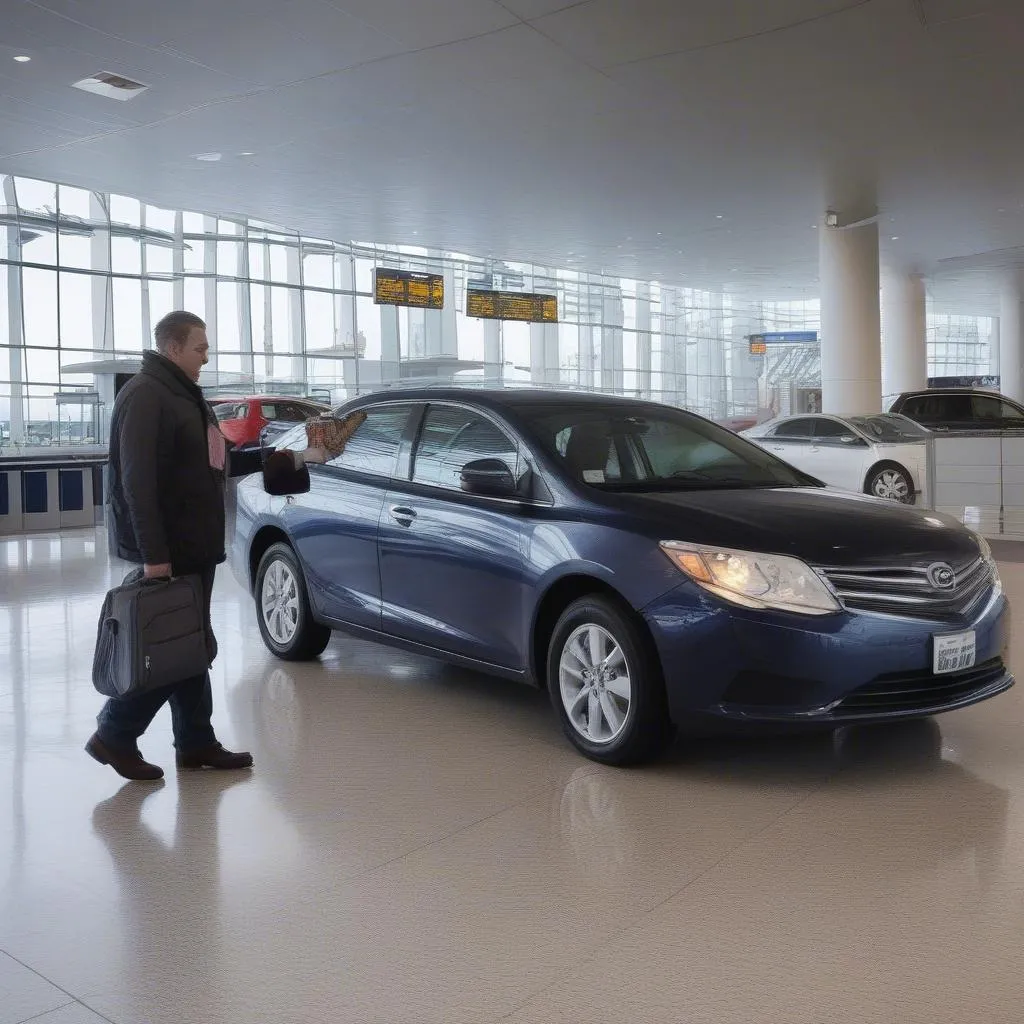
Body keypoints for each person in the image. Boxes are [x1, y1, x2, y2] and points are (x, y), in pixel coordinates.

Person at [86, 310, 328, 781]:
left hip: (193, 544)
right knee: (180, 645)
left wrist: (298, 457)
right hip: (169, 550)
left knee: (190, 645)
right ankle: (115, 732)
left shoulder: (183, 397)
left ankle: (195, 742)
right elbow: (137, 483)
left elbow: (218, 464)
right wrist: (155, 557)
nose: (206, 355)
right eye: (200, 347)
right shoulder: (146, 397)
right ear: (173, 348)